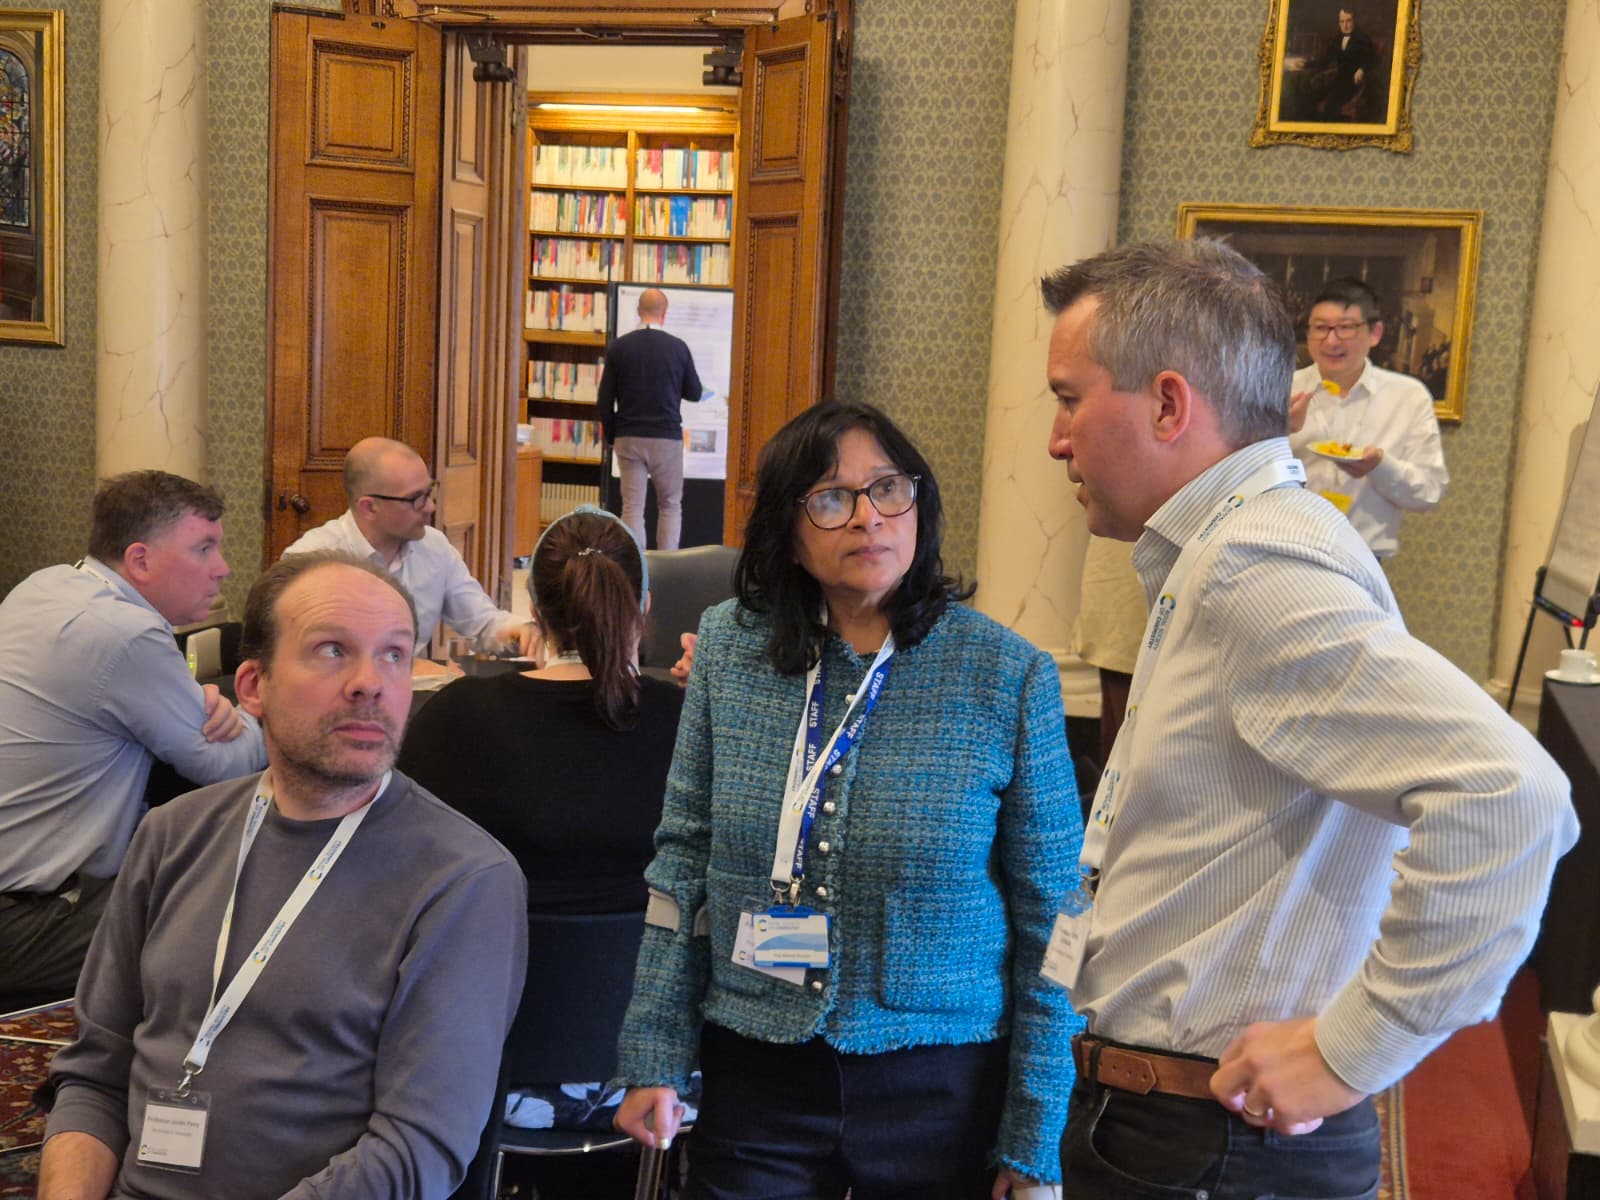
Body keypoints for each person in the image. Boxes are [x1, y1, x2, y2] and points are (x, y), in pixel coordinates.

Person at [1040, 239, 1576, 1199]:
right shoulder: (1226, 549)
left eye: (1069, 398)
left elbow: (1510, 794)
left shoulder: (1255, 563)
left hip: (1212, 1144)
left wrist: (1352, 1049)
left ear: (1167, 404)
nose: (1056, 438)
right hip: (1199, 1134)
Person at [612, 401, 1084, 1199]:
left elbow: (1058, 917)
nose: (867, 518)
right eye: (831, 499)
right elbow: (683, 861)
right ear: (787, 533)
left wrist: (1036, 1133)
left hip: (941, 1082)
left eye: (888, 489)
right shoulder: (731, 647)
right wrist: (653, 1052)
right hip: (757, 1060)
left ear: (919, 504)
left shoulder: (1006, 674)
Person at [39, 550, 528, 1200]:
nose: (368, 682)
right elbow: (96, 1073)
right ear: (252, 686)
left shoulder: (464, 878)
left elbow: (418, 1152)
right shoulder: (172, 835)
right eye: (332, 650)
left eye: (393, 655)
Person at [400, 504, 685, 1136]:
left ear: (533, 613)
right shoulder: (688, 725)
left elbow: (401, 889)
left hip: (476, 1074)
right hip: (655, 1081)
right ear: (643, 606)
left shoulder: (455, 719)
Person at [0, 471, 266, 996]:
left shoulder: (46, 584)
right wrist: (259, 712)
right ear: (140, 560)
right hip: (30, 925)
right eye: (204, 549)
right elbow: (225, 765)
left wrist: (201, 704)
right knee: (251, 911)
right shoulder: (125, 633)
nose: (223, 569)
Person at [282, 436, 536, 656]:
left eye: (429, 492)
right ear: (369, 507)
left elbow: (483, 623)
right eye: (416, 499)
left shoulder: (434, 547)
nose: (430, 507)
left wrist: (521, 631)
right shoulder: (309, 561)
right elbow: (291, 656)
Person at [1288, 278, 1448, 561]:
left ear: (1375, 333)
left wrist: (1381, 466)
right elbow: (1243, 474)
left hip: (1366, 559)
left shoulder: (1408, 397)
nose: (1331, 340)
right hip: (1287, 555)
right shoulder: (1281, 390)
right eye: (1320, 328)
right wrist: (1280, 429)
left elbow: (1430, 491)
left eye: (1346, 328)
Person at [597, 287, 704, 550]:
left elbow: (603, 400)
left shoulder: (619, 347)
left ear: (638, 311)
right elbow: (695, 392)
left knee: (632, 506)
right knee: (670, 504)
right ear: (664, 313)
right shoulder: (678, 348)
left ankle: (638, 568)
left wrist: (612, 436)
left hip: (628, 436)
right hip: (666, 438)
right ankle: (667, 565)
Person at [1306, 7, 1377, 120]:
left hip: (1353, 83)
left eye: (1348, 21)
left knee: (1330, 105)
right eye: (1342, 21)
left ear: (1354, 21)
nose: (1345, 25)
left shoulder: (1363, 38)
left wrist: (1362, 69)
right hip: (1337, 79)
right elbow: (1325, 59)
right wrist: (1306, 64)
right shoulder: (1337, 38)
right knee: (1309, 93)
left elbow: (1371, 59)